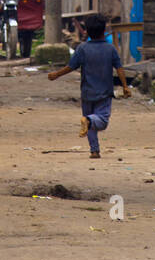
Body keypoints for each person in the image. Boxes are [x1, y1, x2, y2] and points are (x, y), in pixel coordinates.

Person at [47, 12, 131, 159]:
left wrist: (56, 74)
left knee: (89, 119)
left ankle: (94, 150)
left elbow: (71, 66)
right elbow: (119, 68)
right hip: (104, 92)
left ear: (87, 31)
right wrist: (125, 86)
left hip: (86, 92)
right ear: (104, 31)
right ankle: (89, 125)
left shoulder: (82, 48)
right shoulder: (110, 49)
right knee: (100, 121)